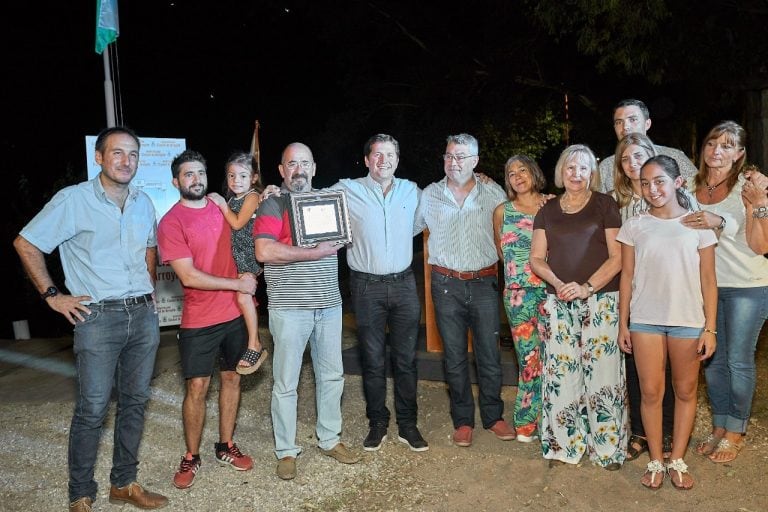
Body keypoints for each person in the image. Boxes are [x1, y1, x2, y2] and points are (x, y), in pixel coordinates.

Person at [13, 126, 168, 511]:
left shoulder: (143, 202)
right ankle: (80, 494)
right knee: (93, 409)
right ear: (98, 158)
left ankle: (124, 484)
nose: (126, 161)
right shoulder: (73, 201)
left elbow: (150, 246)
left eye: (132, 154)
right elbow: (26, 243)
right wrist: (53, 296)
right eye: (117, 153)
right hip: (97, 317)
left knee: (134, 402)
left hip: (142, 316)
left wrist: (148, 288)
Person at [254, 142, 361, 480]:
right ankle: (286, 450)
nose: (298, 169)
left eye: (304, 163)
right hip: (289, 308)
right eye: (291, 164)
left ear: (314, 168)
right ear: (282, 171)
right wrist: (313, 253)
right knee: (286, 382)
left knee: (332, 376)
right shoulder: (272, 203)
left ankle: (329, 439)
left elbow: (349, 235)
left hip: (329, 306)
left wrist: (347, 234)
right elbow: (264, 251)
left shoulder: (330, 202)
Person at [157, 149, 258, 490]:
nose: (196, 179)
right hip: (198, 319)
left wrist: (271, 192)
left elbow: (252, 207)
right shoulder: (171, 222)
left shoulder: (223, 207)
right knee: (196, 387)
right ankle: (191, 455)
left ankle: (225, 445)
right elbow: (189, 277)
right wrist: (237, 283)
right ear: (176, 182)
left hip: (234, 313)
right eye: (188, 174)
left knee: (232, 379)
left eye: (200, 173)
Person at [617, 155, 718, 490]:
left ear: (677, 183)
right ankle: (656, 461)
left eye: (659, 180)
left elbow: (708, 280)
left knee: (686, 391)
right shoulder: (635, 225)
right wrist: (622, 324)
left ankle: (677, 460)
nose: (652, 189)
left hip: (687, 321)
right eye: (645, 183)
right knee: (650, 392)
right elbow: (627, 276)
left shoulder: (697, 225)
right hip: (645, 320)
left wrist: (710, 328)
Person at [530, 144, 628, 470]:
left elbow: (617, 258)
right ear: (561, 171)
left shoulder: (605, 204)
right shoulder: (547, 210)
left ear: (592, 173)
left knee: (603, 375)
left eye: (583, 168)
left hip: (600, 301)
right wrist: (559, 285)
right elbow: (536, 258)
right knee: (561, 374)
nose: (576, 174)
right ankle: (565, 444)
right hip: (559, 302)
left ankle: (607, 448)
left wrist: (587, 287)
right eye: (570, 168)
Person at [329, 134, 428, 452]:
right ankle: (377, 423)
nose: (383, 160)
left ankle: (408, 424)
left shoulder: (412, 191)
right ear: (367, 160)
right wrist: (277, 190)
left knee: (406, 360)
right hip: (366, 287)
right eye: (377, 154)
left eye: (390, 154)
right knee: (371, 360)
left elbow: (421, 222)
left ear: (397, 160)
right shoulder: (347, 189)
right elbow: (309, 200)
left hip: (403, 285)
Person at [416, 133, 515, 448]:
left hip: (484, 283)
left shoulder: (494, 192)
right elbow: (405, 226)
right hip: (445, 285)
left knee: (489, 354)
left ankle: (493, 416)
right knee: (455, 357)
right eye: (448, 155)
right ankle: (462, 420)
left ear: (475, 160)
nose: (453, 162)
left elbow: (516, 225)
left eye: (461, 156)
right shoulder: (429, 195)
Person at [684, 121, 768, 463]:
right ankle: (720, 424)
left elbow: (760, 245)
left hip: (748, 285)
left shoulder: (748, 187)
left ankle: (736, 430)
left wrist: (756, 204)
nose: (717, 151)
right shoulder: (690, 187)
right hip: (707, 287)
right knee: (712, 361)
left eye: (727, 145)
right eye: (711, 144)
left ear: (740, 154)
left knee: (737, 359)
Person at [609, 133, 678, 462]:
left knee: (667, 370)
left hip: (667, 295)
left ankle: (666, 432)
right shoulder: (614, 202)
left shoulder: (673, 197)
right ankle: (639, 431)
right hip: (630, 293)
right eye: (625, 159)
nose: (632, 163)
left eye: (638, 156)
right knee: (636, 368)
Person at [492, 155, 548, 443]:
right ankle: (526, 423)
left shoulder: (551, 205)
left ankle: (554, 422)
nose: (517, 176)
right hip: (518, 296)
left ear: (533, 173)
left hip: (552, 291)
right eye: (511, 173)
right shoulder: (502, 211)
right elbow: (504, 254)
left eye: (522, 170)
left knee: (554, 357)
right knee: (529, 358)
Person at [207, 151, 270, 375]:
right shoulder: (235, 197)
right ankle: (249, 339)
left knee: (243, 296)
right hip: (235, 255)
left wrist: (222, 205)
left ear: (253, 178)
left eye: (243, 176)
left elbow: (237, 223)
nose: (236, 181)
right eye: (232, 176)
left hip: (248, 254)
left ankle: (255, 343)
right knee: (242, 298)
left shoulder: (252, 196)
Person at [598, 98, 697, 193]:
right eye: (619, 122)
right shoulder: (606, 167)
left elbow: (701, 191)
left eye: (632, 119)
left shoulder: (675, 157)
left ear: (647, 124)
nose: (625, 127)